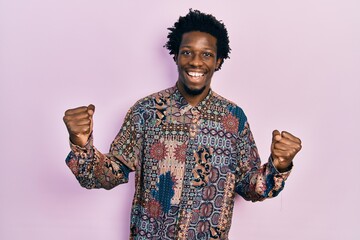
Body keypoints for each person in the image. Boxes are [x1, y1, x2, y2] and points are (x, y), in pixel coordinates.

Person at [63, 9, 302, 240]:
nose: (196, 62)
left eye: (206, 54)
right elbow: (105, 176)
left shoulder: (234, 118)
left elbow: (250, 187)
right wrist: (81, 143)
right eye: (187, 52)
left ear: (218, 61)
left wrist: (279, 166)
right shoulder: (146, 112)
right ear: (175, 56)